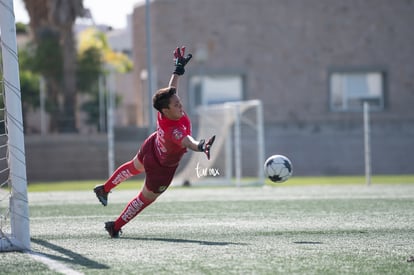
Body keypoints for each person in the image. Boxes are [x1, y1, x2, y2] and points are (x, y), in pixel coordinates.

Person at [93, 46, 215, 238]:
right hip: (162, 169)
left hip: (152, 147)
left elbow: (171, 91)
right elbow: (188, 142)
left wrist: (177, 69)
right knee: (144, 199)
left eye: (179, 101)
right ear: (165, 110)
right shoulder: (174, 130)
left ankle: (104, 188)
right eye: (176, 104)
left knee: (133, 167)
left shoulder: (163, 110)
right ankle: (114, 226)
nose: (180, 104)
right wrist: (201, 145)